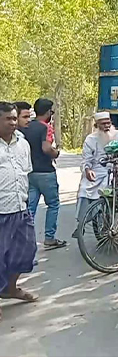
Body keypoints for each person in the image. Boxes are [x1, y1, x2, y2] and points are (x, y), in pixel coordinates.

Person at [0, 102, 38, 320]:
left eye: (15, 118)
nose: (13, 123)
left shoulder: (23, 144)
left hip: (20, 208)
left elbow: (26, 174)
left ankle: (10, 288)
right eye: (8, 119)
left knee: (26, 251)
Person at [74, 112, 118, 238]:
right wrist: (87, 170)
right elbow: (86, 159)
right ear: (97, 125)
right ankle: (82, 224)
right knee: (84, 190)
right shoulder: (91, 139)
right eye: (103, 124)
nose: (107, 126)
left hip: (115, 169)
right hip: (97, 170)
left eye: (108, 123)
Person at [24, 98, 66, 250]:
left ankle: (26, 238)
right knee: (53, 204)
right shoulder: (45, 127)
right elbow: (46, 148)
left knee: (30, 207)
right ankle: (49, 238)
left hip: (30, 172)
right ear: (48, 112)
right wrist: (56, 153)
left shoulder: (26, 127)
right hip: (46, 172)